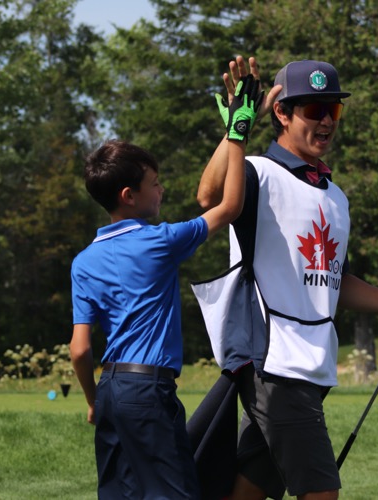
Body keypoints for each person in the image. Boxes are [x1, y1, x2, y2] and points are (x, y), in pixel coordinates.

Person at [195, 56, 378, 500]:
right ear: (282, 113)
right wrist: (236, 129)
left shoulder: (336, 197)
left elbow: (331, 279)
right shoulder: (257, 171)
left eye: (334, 109)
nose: (327, 120)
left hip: (312, 364)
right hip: (273, 361)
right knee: (322, 492)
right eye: (313, 109)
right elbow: (210, 196)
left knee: (248, 490)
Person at [69, 75, 263, 499]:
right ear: (129, 195)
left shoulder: (83, 261)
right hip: (148, 391)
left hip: (111, 390)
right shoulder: (160, 241)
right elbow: (230, 206)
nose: (161, 189)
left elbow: (80, 350)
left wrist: (93, 401)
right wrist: (238, 133)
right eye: (154, 183)